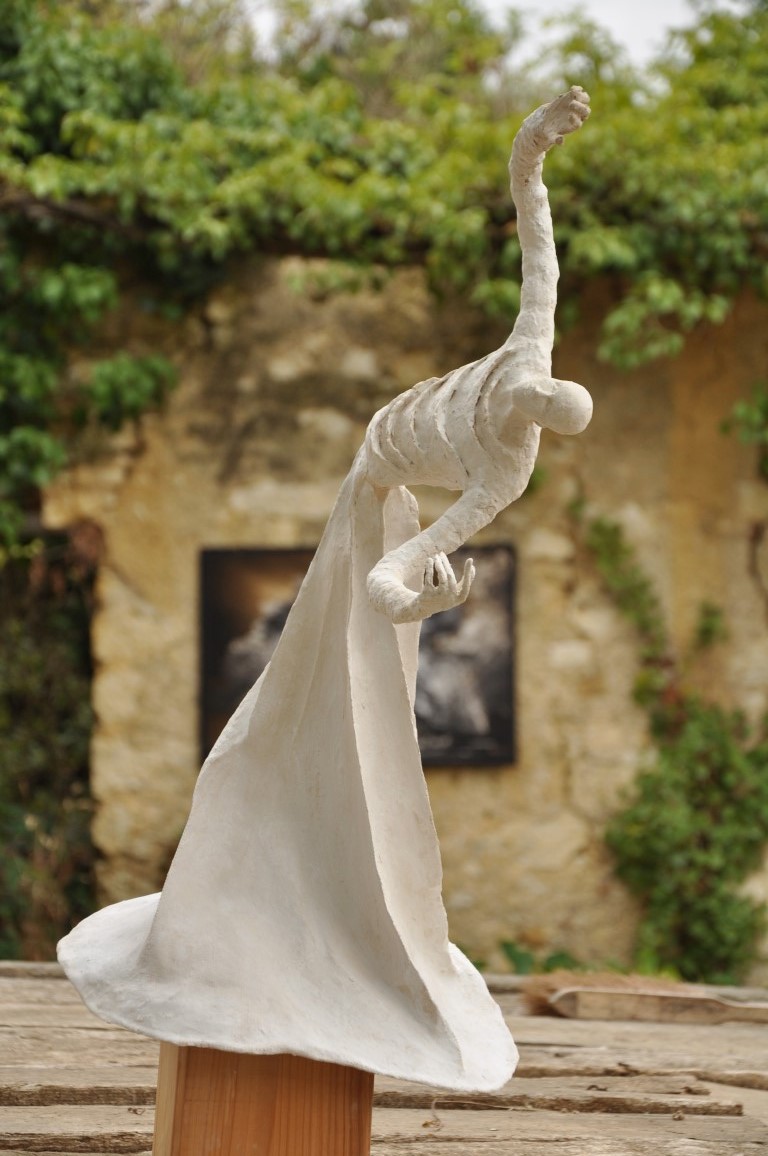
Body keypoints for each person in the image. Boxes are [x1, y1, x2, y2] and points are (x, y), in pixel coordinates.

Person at [58, 87, 592, 1093]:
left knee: (337, 741)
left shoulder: (504, 475)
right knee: (285, 722)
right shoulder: (531, 339)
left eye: (540, 403)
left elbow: (395, 574)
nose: (530, 392)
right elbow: (535, 228)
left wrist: (424, 602)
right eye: (537, 387)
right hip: (375, 459)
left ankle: (323, 930)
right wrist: (535, 143)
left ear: (542, 422)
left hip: (383, 495)